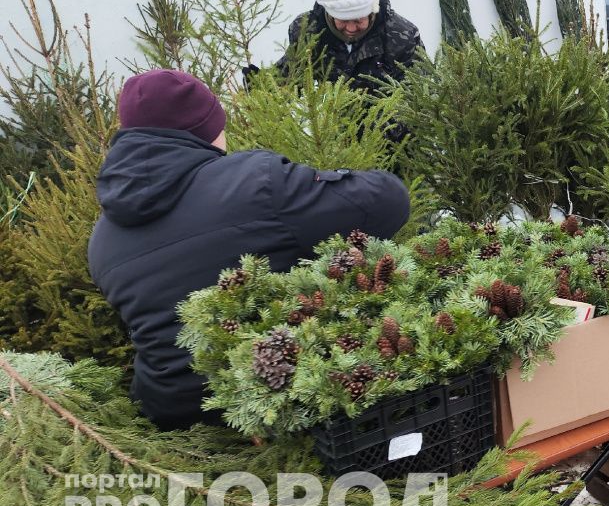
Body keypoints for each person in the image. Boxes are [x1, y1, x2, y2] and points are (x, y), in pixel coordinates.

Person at [88, 70, 410, 430]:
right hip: (279, 405)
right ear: (207, 129)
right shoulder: (257, 181)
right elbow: (388, 200)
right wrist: (325, 178)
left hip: (171, 420)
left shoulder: (102, 239)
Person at [273, 0, 425, 96]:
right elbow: (287, 78)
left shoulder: (402, 37)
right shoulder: (308, 30)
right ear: (330, 15)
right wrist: (261, 89)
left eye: (359, 20)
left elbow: (417, 96)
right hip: (332, 118)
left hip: (387, 119)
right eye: (343, 21)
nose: (351, 29)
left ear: (372, 11)